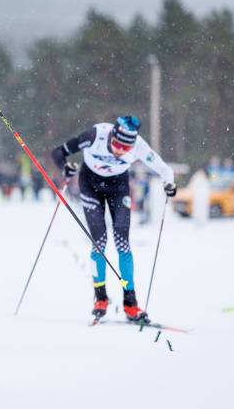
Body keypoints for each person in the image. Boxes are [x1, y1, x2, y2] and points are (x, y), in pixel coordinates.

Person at [51, 116, 177, 323]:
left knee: (122, 243)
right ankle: (100, 298)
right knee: (99, 241)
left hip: (118, 186)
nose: (120, 150)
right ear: (111, 136)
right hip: (90, 185)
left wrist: (169, 184)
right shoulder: (94, 135)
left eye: (126, 149)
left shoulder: (139, 145)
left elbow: (164, 169)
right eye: (117, 145)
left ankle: (131, 303)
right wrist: (65, 168)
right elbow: (58, 152)